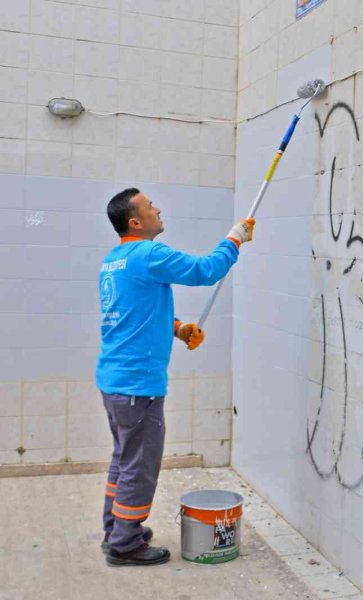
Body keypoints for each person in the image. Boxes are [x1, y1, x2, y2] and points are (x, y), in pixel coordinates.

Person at [97, 188, 254, 566]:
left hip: (114, 381)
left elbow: (135, 317)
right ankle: (126, 545)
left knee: (123, 459)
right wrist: (235, 238)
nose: (158, 209)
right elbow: (205, 270)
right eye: (150, 207)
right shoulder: (149, 253)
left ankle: (116, 529)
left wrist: (180, 328)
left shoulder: (114, 260)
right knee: (139, 466)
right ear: (136, 221)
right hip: (138, 386)